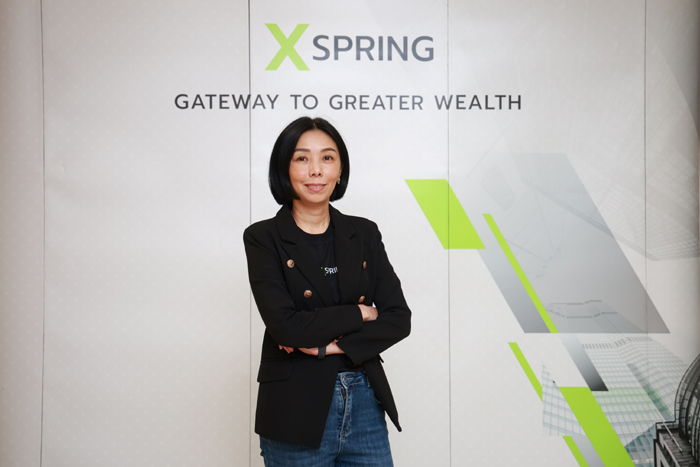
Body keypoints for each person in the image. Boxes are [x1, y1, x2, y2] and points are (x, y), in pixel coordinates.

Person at [243, 116, 411, 466]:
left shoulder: (364, 233)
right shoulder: (263, 238)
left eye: (328, 157)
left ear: (340, 169)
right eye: (302, 158)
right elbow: (286, 327)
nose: (316, 170)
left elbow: (398, 319)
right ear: (284, 168)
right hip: (294, 405)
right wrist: (360, 313)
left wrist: (330, 346)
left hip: (365, 402)